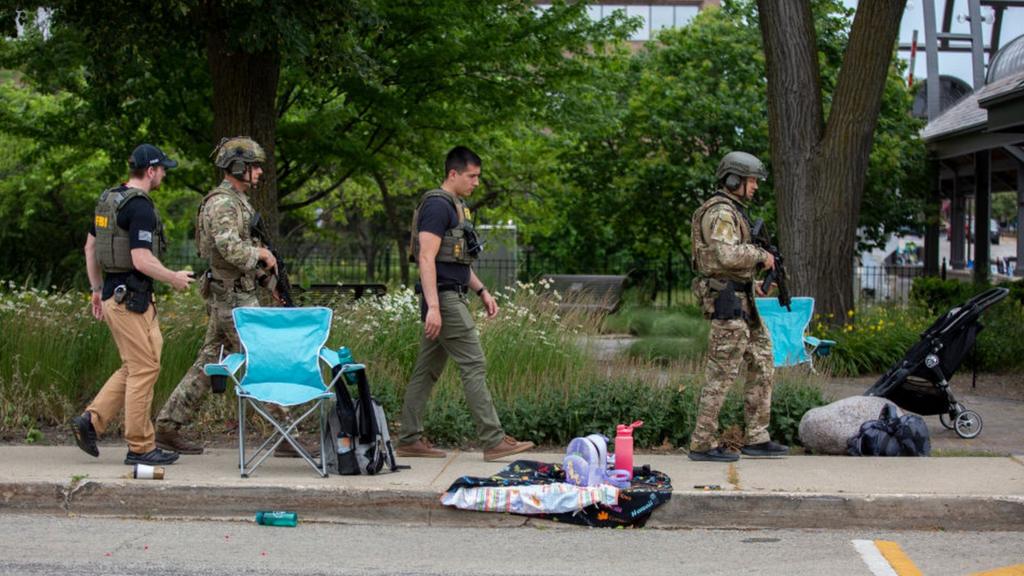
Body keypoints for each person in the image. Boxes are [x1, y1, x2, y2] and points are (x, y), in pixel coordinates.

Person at [154, 136, 304, 457]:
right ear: (237, 167)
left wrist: (270, 283)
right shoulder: (223, 203)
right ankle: (286, 433)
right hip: (233, 300)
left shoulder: (237, 201)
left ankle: (167, 427)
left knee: (210, 362)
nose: (260, 172)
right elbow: (230, 249)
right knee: (261, 359)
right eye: (254, 166)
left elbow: (240, 255)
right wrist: (261, 254)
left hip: (234, 295)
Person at [397, 146, 534, 462]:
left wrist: (482, 291)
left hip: (451, 293)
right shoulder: (437, 205)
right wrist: (433, 307)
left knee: (427, 369)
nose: (476, 183)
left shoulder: (456, 207)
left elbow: (455, 262)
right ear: (453, 174)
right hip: (443, 299)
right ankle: (493, 439)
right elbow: (426, 257)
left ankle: (409, 438)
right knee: (474, 362)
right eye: (472, 176)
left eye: (478, 177)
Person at [73, 143, 194, 466]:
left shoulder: (109, 199)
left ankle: (91, 420)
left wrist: (97, 289)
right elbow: (141, 259)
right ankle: (140, 447)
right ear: (150, 170)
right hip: (132, 300)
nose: (165, 174)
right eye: (163, 169)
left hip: (116, 295)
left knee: (140, 362)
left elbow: (90, 247)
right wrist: (173, 277)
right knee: (144, 368)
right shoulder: (139, 207)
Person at [687, 151, 789, 462]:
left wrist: (752, 283)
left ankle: (757, 436)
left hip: (743, 301)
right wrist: (761, 256)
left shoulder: (734, 211)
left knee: (762, 362)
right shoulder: (720, 213)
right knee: (722, 373)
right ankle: (702, 443)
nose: (756, 186)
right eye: (751, 180)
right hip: (728, 305)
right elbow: (726, 256)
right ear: (734, 180)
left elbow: (730, 265)